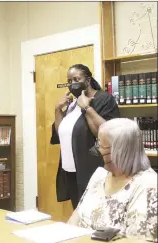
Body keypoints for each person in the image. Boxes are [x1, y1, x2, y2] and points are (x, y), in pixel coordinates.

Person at [68, 118, 157, 242]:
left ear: (119, 151)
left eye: (100, 145)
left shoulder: (147, 185)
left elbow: (138, 239)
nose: (96, 149)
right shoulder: (100, 174)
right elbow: (76, 217)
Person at [50, 64, 120, 209]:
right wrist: (58, 109)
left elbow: (106, 133)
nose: (72, 84)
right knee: (78, 213)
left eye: (76, 79)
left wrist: (86, 108)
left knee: (94, 213)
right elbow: (59, 133)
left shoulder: (103, 99)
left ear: (87, 80)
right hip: (69, 170)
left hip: (92, 170)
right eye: (69, 81)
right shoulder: (72, 104)